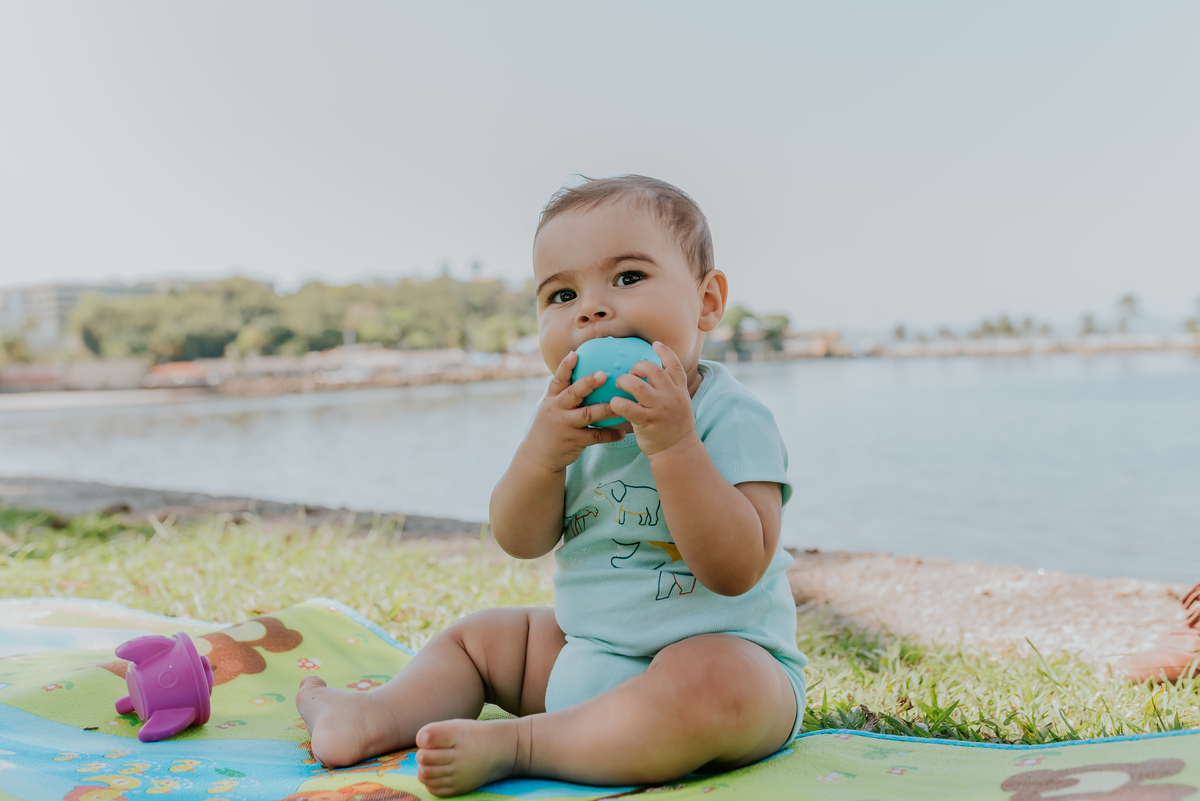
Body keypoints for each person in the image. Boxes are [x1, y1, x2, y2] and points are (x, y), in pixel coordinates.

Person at [297, 175, 807, 797]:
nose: (591, 309)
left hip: (718, 666)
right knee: (480, 640)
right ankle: (369, 717)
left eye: (626, 278)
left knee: (717, 681)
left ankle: (524, 744)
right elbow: (520, 538)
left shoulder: (732, 417)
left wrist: (675, 445)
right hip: (585, 652)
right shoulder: (573, 420)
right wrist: (541, 457)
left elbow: (735, 568)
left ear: (706, 302)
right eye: (562, 294)